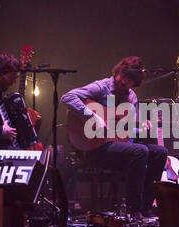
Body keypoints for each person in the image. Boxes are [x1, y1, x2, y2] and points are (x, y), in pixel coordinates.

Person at [61, 56, 168, 218]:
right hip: (94, 147)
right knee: (140, 152)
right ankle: (133, 210)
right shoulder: (101, 87)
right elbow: (68, 97)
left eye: (129, 81)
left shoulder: (131, 97)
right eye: (123, 77)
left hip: (117, 147)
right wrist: (93, 118)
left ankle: (145, 207)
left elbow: (128, 132)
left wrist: (141, 128)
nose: (123, 82)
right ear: (119, 71)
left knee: (160, 152)